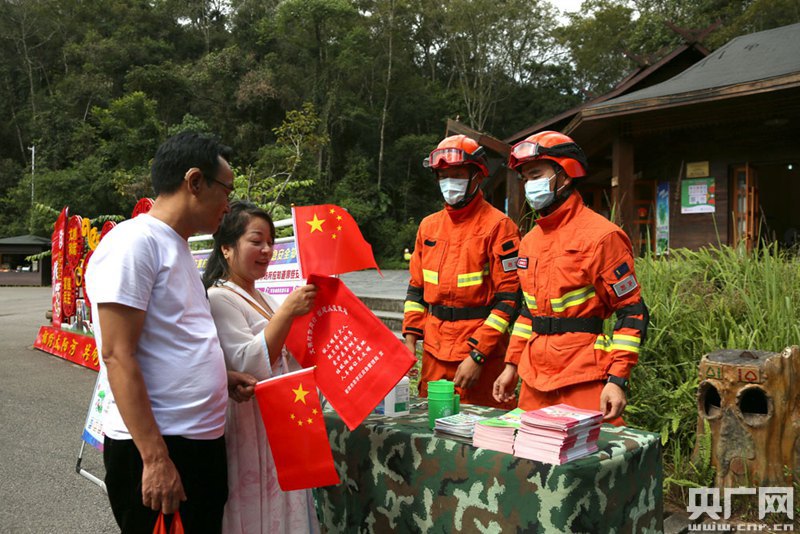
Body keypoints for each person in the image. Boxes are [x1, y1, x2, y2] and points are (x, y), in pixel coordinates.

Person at [85, 132, 257, 533]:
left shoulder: (177, 247)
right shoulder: (134, 244)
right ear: (194, 182)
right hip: (162, 447)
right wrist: (155, 459)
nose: (228, 204)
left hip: (195, 442)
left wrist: (220, 378)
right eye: (225, 189)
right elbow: (116, 354)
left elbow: (169, 339)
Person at [493, 131, 649, 424]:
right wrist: (511, 365)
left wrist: (617, 380)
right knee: (526, 461)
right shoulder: (530, 241)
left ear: (565, 175)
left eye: (536, 174)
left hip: (584, 375)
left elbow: (631, 312)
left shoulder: (602, 237)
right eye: (525, 178)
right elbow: (528, 311)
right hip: (533, 376)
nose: (529, 185)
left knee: (588, 464)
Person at [202, 201, 320, 534]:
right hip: (249, 420)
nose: (266, 250)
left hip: (282, 421)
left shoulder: (264, 297)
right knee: (257, 506)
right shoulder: (219, 298)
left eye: (271, 242)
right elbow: (247, 363)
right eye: (256, 241)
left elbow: (287, 353)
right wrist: (287, 314)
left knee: (285, 504)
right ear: (227, 248)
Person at [402, 134, 521, 408]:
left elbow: (509, 300)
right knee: (431, 434)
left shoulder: (499, 227)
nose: (449, 182)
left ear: (477, 176)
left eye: (456, 174)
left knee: (481, 440)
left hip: (480, 355)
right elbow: (416, 291)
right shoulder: (428, 227)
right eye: (443, 176)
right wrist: (409, 342)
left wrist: (478, 355)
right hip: (433, 353)